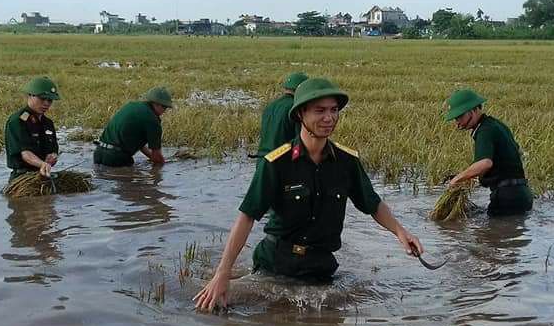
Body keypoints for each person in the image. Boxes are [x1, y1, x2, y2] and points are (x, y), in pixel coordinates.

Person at [194, 77, 425, 311]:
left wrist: (400, 232)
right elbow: (247, 217)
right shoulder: (276, 163)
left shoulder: (347, 162)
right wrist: (222, 274)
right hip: (276, 266)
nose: (329, 118)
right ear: (300, 115)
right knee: (226, 309)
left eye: (334, 110)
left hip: (321, 268)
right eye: (320, 110)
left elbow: (372, 204)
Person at [444, 88, 533, 216]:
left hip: (507, 197)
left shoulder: (485, 131)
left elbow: (485, 163)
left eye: (459, 117)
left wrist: (457, 179)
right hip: (522, 194)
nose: (457, 122)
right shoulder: (495, 125)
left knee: (490, 234)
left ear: (473, 111)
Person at [94, 87, 173, 166]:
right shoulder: (153, 121)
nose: (164, 111)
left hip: (99, 152)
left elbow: (139, 145)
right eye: (164, 107)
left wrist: (152, 157)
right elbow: (157, 155)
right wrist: (162, 165)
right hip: (116, 158)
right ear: (156, 104)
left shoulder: (131, 106)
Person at [4, 77, 60, 180]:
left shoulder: (48, 123)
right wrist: (42, 164)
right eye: (42, 98)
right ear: (30, 96)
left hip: (44, 174)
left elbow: (54, 150)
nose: (46, 103)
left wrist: (53, 156)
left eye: (50, 100)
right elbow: (25, 153)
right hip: (22, 178)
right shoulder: (17, 121)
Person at [255, 72, 308, 156]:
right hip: (281, 160)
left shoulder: (270, 106)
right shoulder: (295, 108)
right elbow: (299, 141)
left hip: (263, 159)